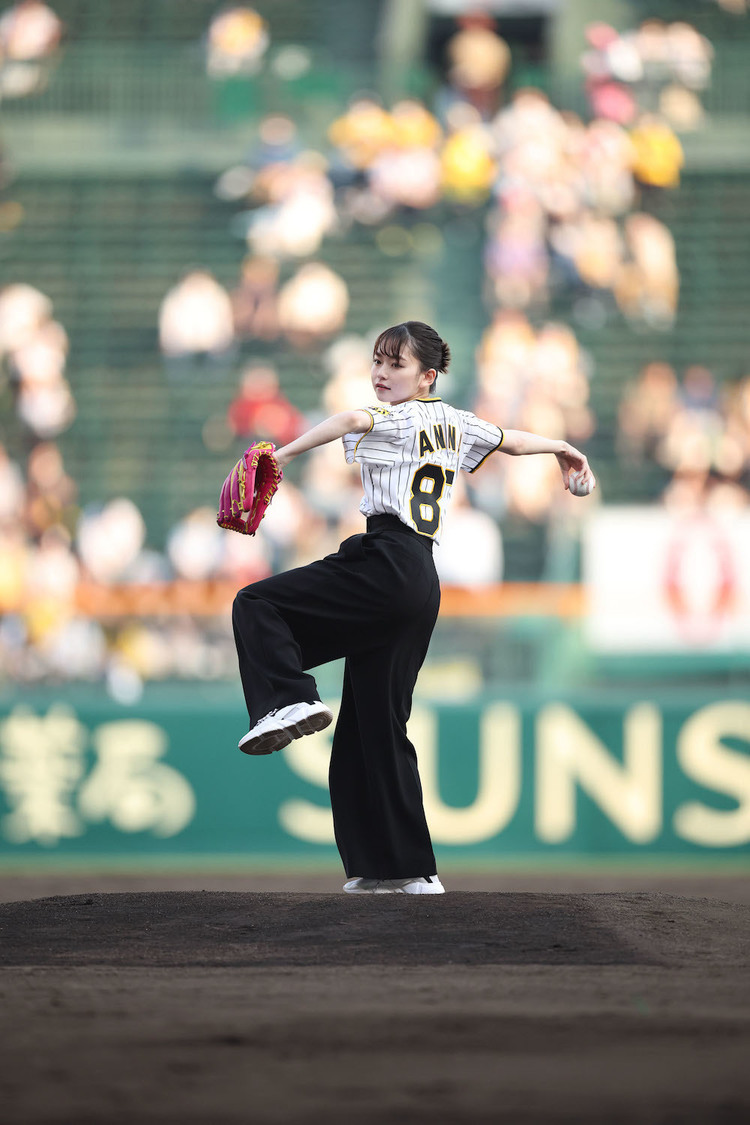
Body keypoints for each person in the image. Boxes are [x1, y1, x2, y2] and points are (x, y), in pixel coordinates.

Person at [231, 321, 595, 895]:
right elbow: (512, 440)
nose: (380, 372)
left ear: (426, 377)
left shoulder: (397, 417)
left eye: (395, 364)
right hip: (421, 579)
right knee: (376, 728)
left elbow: (352, 420)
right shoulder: (455, 421)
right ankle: (404, 871)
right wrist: (563, 448)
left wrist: (282, 451)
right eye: (377, 361)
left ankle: (290, 700)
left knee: (256, 603)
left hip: (384, 560)